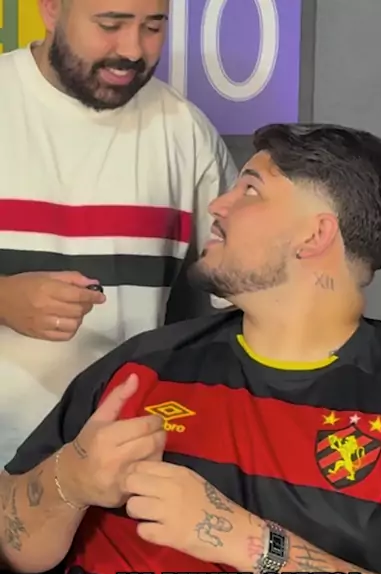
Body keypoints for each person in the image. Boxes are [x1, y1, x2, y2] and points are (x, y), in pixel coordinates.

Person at [1, 123, 381, 574]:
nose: (218, 206)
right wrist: (72, 479)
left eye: (250, 189)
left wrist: (237, 538)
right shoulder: (144, 366)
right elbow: (14, 541)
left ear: (315, 234)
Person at [0, 0, 236, 468]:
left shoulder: (184, 131)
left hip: (119, 471)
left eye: (153, 27)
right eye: (111, 25)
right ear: (51, 10)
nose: (132, 50)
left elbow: (252, 299)